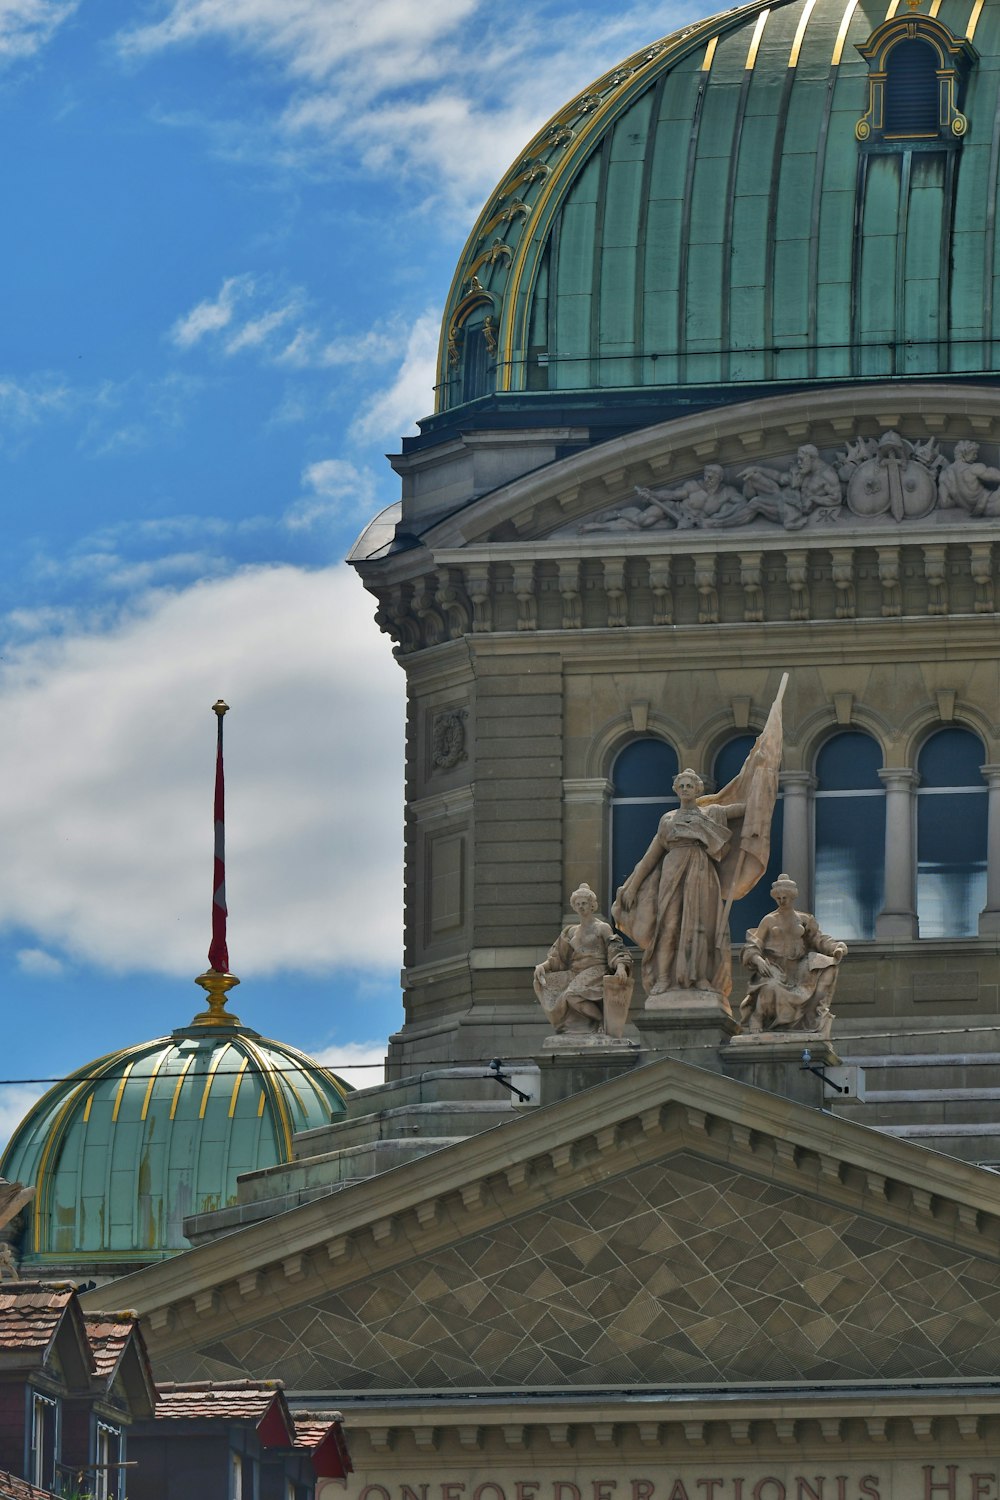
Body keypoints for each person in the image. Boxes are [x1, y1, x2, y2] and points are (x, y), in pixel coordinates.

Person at [613, 770, 744, 1001]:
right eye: (681, 786)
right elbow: (650, 857)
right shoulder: (668, 819)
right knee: (668, 926)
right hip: (672, 871)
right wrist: (632, 886)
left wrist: (764, 784)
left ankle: (701, 977)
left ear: (698, 790)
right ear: (676, 790)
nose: (685, 789)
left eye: (689, 786)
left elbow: (743, 809)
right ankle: (664, 978)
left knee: (700, 927)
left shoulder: (711, 813)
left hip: (702, 871)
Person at [739, 874, 847, 1036]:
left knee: (828, 966)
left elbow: (818, 940)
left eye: (785, 897)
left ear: (792, 897)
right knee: (770, 986)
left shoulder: (803, 919)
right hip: (775, 967)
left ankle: (811, 1017)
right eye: (779, 898)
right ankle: (758, 1016)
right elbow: (753, 945)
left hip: (799, 968)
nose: (782, 901)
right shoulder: (769, 920)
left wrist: (836, 947)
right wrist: (757, 959)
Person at [533, 882, 633, 1037]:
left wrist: (620, 966)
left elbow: (615, 946)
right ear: (574, 906)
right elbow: (558, 956)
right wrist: (543, 966)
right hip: (575, 973)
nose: (581, 907)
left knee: (571, 994)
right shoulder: (571, 931)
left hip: (597, 971)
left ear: (592, 905)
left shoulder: (602, 927)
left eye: (584, 903)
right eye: (577, 904)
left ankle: (600, 1021)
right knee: (546, 983)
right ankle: (578, 1026)